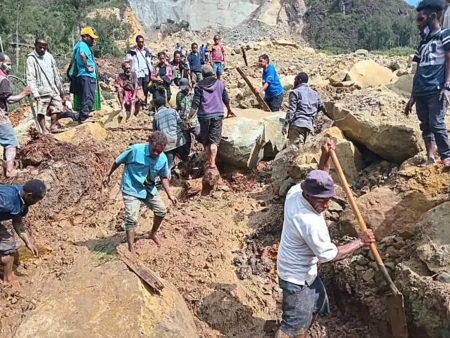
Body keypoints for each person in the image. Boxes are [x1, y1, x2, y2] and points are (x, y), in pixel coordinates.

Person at [276, 139, 376, 338]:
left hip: (305, 272)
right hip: (296, 277)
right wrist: (360, 242)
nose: (328, 205)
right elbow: (330, 255)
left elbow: (320, 177)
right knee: (292, 326)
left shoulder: (296, 192)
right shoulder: (308, 222)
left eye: (329, 198)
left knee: (316, 305)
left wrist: (324, 156)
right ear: (309, 195)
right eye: (323, 200)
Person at [103, 131, 178, 254]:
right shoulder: (135, 150)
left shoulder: (162, 159)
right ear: (149, 142)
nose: (156, 153)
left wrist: (170, 194)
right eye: (154, 149)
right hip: (131, 188)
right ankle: (131, 248)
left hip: (148, 189)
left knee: (161, 211)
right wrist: (108, 174)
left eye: (159, 151)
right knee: (131, 219)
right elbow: (118, 161)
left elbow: (164, 177)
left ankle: (152, 234)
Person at [405, 0, 450, 166]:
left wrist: (447, 85)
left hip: (436, 89)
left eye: (421, 19)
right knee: (425, 125)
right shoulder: (422, 42)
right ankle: (430, 158)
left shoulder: (445, 35)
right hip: (421, 90)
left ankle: (446, 156)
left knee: (437, 123)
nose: (418, 23)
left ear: (433, 16)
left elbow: (448, 59)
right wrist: (412, 95)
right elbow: (418, 69)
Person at [187, 65, 235, 169]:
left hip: (203, 116)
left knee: (206, 140)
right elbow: (225, 98)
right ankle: (212, 162)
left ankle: (209, 159)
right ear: (212, 73)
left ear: (203, 75)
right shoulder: (219, 83)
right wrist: (229, 110)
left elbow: (195, 103)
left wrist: (189, 117)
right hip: (217, 114)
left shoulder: (199, 86)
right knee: (214, 140)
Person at [0, 179, 46, 286]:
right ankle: (7, 280)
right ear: (29, 195)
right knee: (8, 245)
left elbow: (18, 222)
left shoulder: (23, 202)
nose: (36, 203)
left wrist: (28, 243)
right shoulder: (6, 200)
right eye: (36, 200)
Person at [0, 54, 31, 178]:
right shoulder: (3, 80)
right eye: (7, 64)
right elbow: (10, 100)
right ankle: (10, 171)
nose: (10, 67)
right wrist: (23, 94)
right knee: (10, 141)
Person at [26, 38, 65, 135]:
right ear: (35, 46)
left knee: (58, 106)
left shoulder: (49, 56)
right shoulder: (31, 59)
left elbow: (56, 74)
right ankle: (44, 130)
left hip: (52, 87)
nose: (42, 49)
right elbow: (31, 77)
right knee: (41, 110)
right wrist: (35, 93)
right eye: (40, 47)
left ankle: (53, 126)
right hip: (41, 89)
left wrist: (61, 91)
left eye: (44, 47)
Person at [283, 73, 325, 145]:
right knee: (304, 151)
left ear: (299, 80)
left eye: (295, 79)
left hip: (297, 124)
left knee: (295, 151)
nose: (294, 82)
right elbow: (322, 106)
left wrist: (286, 125)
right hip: (309, 126)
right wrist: (313, 115)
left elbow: (291, 110)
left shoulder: (295, 92)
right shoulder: (315, 93)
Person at [69, 27, 99, 123]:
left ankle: (82, 115)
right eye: (91, 38)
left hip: (81, 75)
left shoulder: (77, 45)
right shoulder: (83, 45)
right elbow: (82, 54)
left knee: (84, 96)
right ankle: (83, 117)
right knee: (88, 96)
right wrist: (86, 67)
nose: (93, 40)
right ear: (85, 37)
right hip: (87, 75)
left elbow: (73, 60)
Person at [152, 96, 188, 171]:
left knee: (168, 166)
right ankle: (188, 175)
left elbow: (155, 134)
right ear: (165, 104)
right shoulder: (173, 111)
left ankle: (169, 179)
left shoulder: (156, 117)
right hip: (178, 141)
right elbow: (181, 123)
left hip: (167, 145)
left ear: (155, 106)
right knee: (185, 160)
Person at [126, 35, 152, 108]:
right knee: (138, 89)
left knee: (146, 89)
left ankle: (144, 104)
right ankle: (139, 105)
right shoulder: (132, 51)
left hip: (146, 72)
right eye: (139, 42)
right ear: (136, 42)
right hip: (137, 73)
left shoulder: (146, 51)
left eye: (142, 42)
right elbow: (127, 61)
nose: (141, 43)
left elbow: (149, 61)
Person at [176, 78, 200, 153]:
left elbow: (198, 106)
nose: (183, 90)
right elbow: (179, 108)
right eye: (182, 88)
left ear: (188, 85)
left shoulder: (194, 94)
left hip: (194, 121)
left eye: (185, 88)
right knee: (186, 142)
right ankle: (187, 158)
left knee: (199, 136)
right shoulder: (179, 95)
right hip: (183, 122)